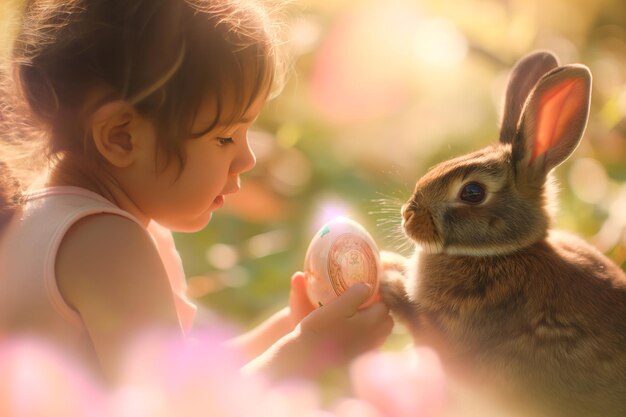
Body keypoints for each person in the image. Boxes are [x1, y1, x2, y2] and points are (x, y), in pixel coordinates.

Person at [0, 0, 394, 384]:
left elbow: (188, 378)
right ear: (121, 136)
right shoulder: (107, 243)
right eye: (225, 137)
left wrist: (292, 330)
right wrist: (306, 351)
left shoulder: (47, 218)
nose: (248, 159)